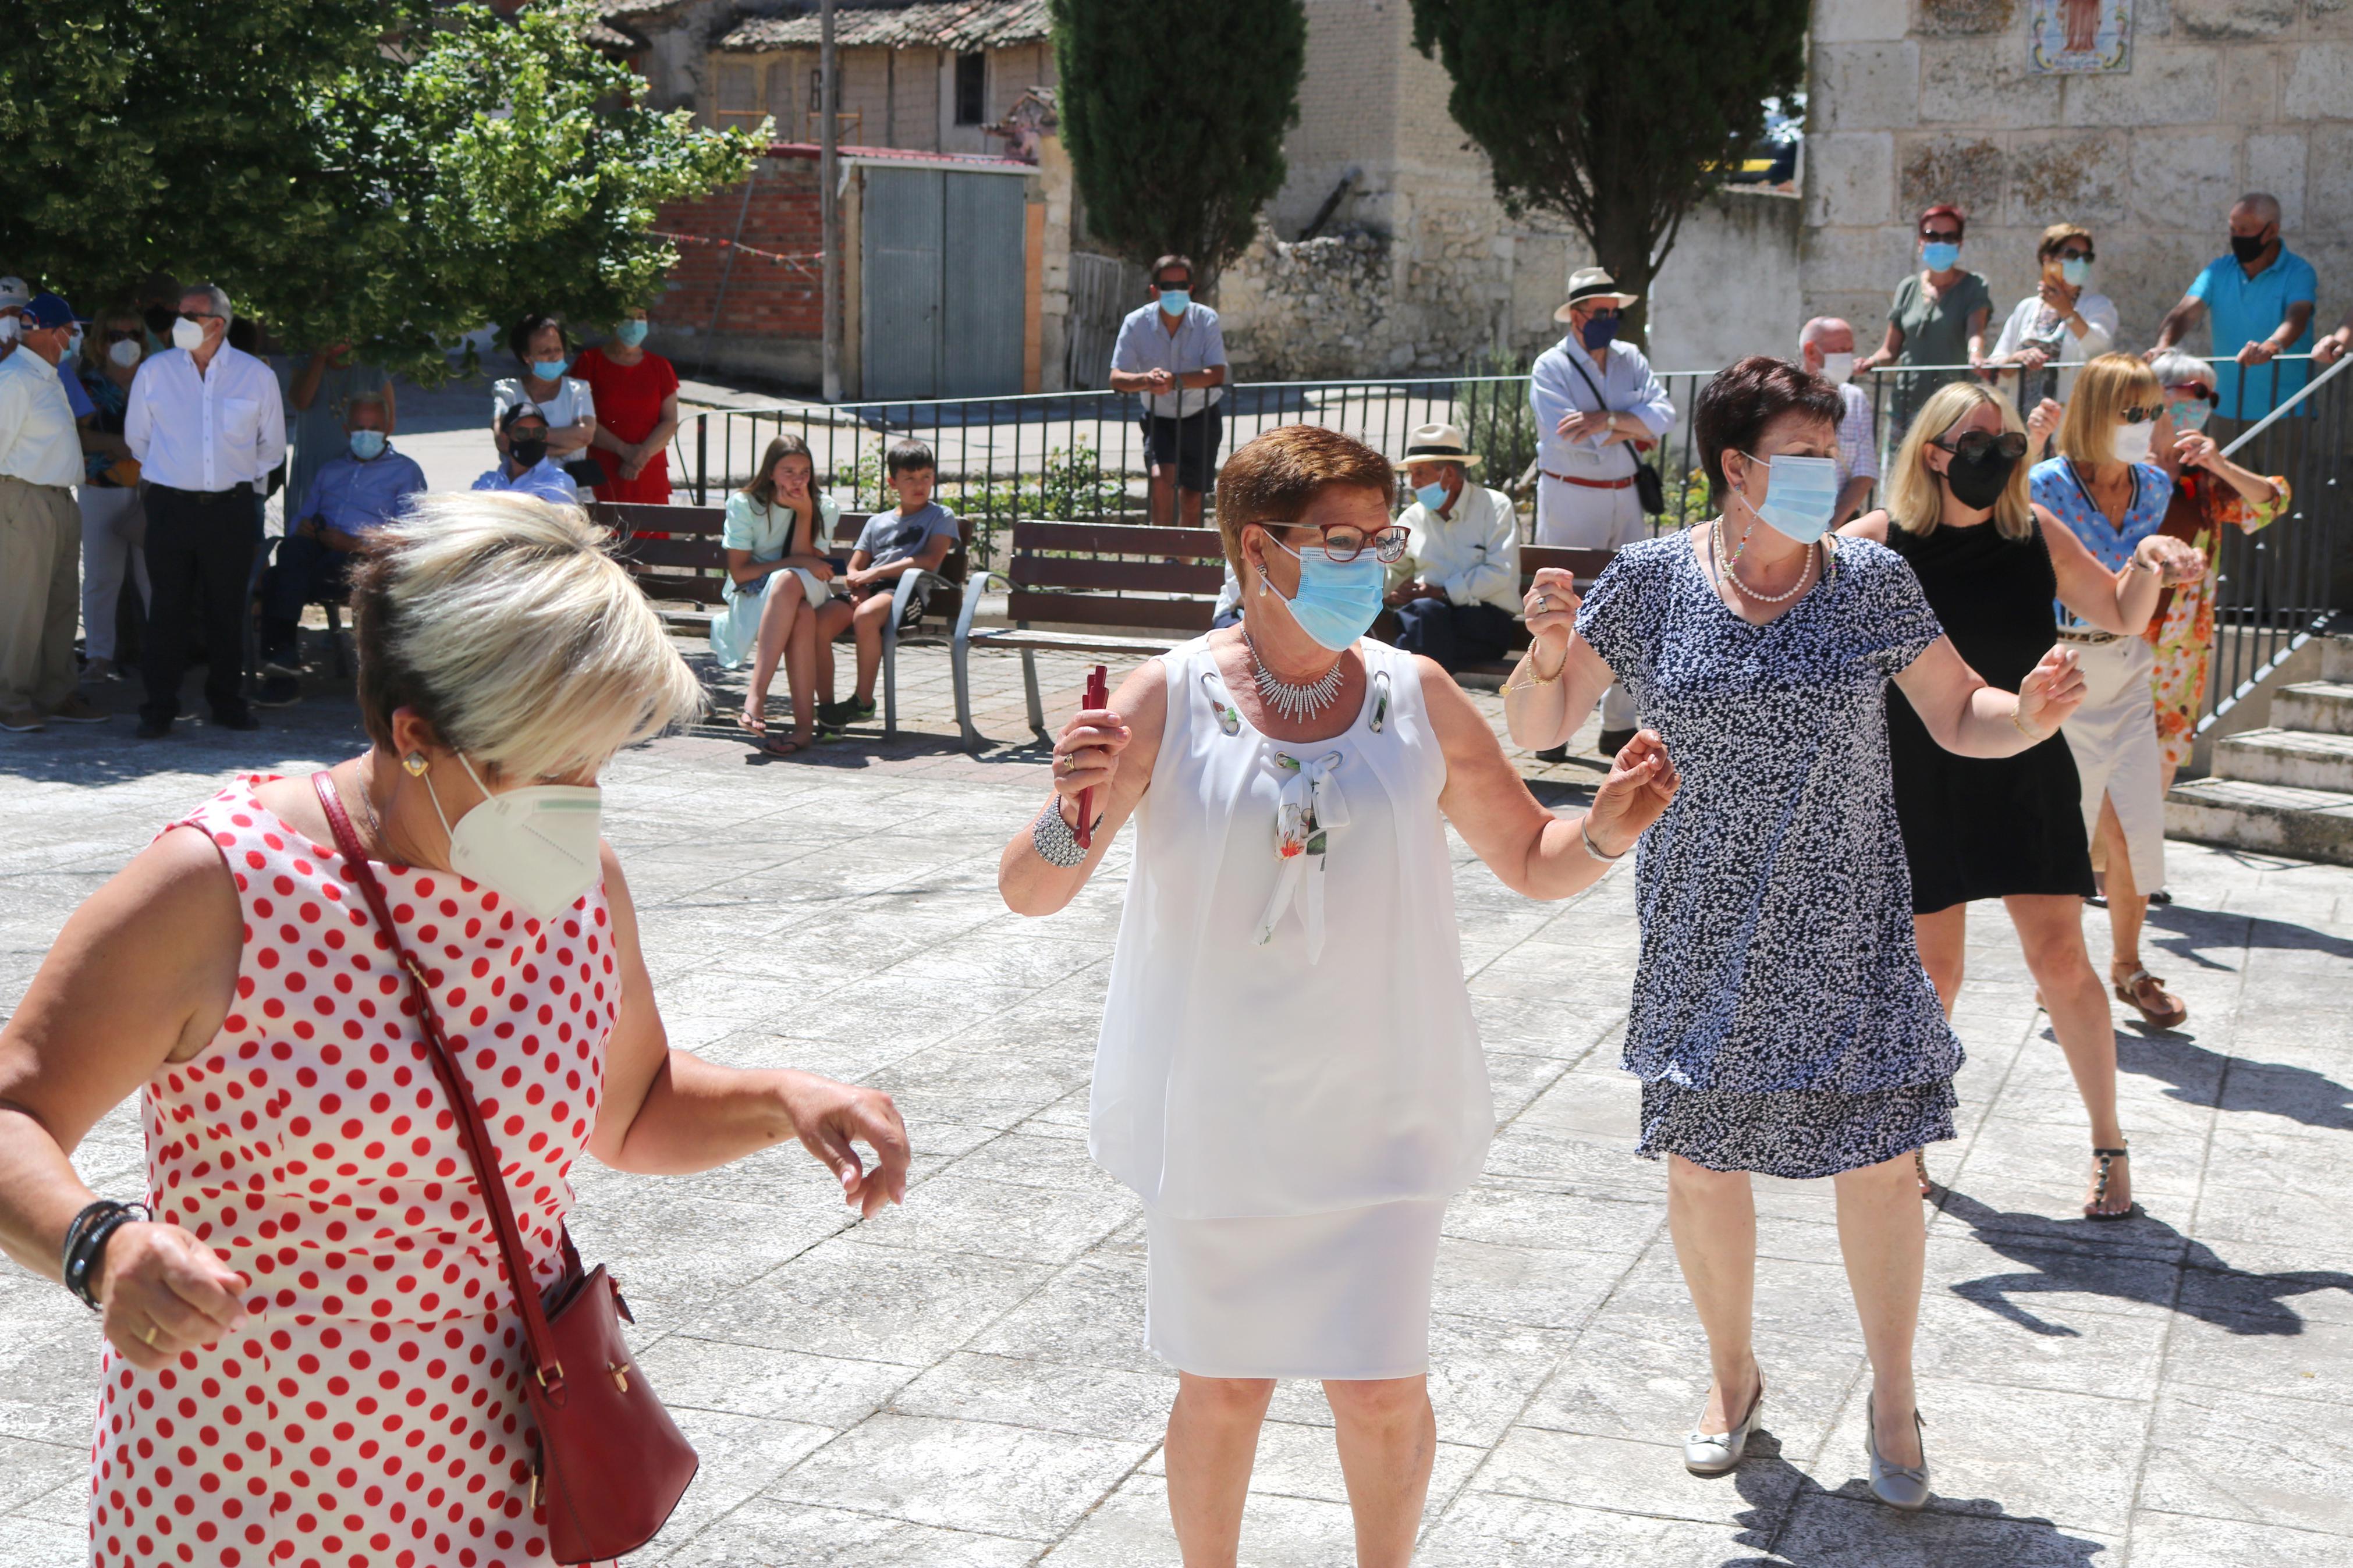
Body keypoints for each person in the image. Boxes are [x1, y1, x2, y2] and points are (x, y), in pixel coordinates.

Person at [0, 493, 908, 1568]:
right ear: (415, 737)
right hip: (249, 1486)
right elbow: (16, 1112)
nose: (584, 799)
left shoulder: (576, 881)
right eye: (553, 766)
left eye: (598, 764)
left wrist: (784, 1099)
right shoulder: (217, 889)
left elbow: (631, 1108)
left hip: (505, 1480)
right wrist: (98, 1243)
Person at [1001, 424, 1680, 1568]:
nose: (1369, 561)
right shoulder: (1166, 698)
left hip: (1379, 1114)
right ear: (1256, 549)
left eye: (1379, 537)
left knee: (1378, 1390)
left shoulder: (1416, 694)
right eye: (1340, 540)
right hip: (1220, 1116)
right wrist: (1067, 815)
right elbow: (1029, 892)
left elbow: (1531, 857)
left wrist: (1606, 831)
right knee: (1223, 1387)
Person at [1502, 355, 2088, 1509]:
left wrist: (2026, 714)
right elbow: (1538, 723)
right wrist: (1548, 654)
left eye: (1833, 452)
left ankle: (1891, 1397)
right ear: (1734, 466)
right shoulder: (1651, 580)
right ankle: (1731, 1380)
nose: (1829, 472)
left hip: (1849, 923)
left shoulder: (1868, 580)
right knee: (1701, 1167)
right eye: (1805, 455)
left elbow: (1956, 712)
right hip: (1698, 927)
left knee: (1877, 1164)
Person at [1841, 381, 2199, 1219]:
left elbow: (2120, 611)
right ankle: (1908, 1137)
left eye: (2007, 444)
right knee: (1933, 971)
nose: (1997, 458)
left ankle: (2108, 1143)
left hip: (2026, 762)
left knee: (2061, 961)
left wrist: (2148, 558)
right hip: (1916, 772)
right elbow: (1782, 609)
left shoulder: (2031, 530)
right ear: (1933, 452)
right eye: (1976, 444)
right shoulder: (1875, 543)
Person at [2030, 354, 2199, 1032]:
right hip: (2061, 664)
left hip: (2126, 666)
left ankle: (2128, 967)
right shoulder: (2043, 484)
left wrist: (2168, 567)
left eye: (2152, 411)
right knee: (2068, 831)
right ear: (2097, 410)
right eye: (2132, 411)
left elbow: (2139, 581)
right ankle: (2058, 968)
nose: (2146, 423)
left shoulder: (2153, 486)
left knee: (2135, 825)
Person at [125, 284, 287, 738]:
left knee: (226, 608)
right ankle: (159, 708)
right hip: (170, 508)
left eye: (190, 315)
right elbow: (139, 440)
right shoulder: (155, 372)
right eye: (179, 313)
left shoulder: (255, 376)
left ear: (217, 323)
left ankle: (227, 702)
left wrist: (230, 479)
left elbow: (271, 449)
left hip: (230, 510)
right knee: (167, 609)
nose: (179, 322)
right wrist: (179, 473)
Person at [1528, 266, 1676, 754]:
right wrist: (1632, 427)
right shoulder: (1550, 366)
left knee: (1632, 606)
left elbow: (1664, 416)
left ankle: (1617, 724)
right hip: (1571, 495)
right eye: (1601, 313)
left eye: (1615, 312)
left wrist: (1606, 421)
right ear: (1576, 315)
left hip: (1625, 494)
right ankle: (1551, 725)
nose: (1610, 320)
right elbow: (1565, 435)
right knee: (1562, 610)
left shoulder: (1630, 358)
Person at [2141, 351, 2291, 794]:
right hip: (2120, 626)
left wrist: (2218, 463)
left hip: (2181, 638)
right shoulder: (2120, 465)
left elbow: (2272, 502)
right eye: (2196, 391)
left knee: (2164, 748)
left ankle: (2145, 835)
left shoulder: (2205, 479)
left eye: (2210, 396)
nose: (2204, 404)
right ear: (2157, 395)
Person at [257, 392, 427, 692]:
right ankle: (283, 659)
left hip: (362, 559)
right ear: (347, 431)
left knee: (279, 581)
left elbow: (409, 537)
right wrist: (304, 526)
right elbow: (302, 518)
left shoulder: (405, 472)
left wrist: (353, 544)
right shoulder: (331, 470)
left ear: (388, 429)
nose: (366, 435)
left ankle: (281, 666)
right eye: (359, 428)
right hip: (317, 550)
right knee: (291, 551)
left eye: (374, 428)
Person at [0, 292, 108, 733]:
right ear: (49, 331)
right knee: (22, 605)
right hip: (25, 500)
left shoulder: (47, 375)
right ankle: (10, 700)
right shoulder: (13, 379)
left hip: (59, 500)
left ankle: (55, 693)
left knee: (61, 602)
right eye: (69, 329)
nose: (74, 336)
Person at [815, 439, 960, 728]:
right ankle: (828, 709)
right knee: (817, 623)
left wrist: (872, 575)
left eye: (926, 477)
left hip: (907, 591)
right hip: (870, 590)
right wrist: (858, 585)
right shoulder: (877, 523)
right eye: (910, 478)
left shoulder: (940, 516)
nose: (919, 485)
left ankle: (863, 702)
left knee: (866, 615)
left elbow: (929, 560)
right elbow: (855, 566)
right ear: (893, 483)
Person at [711, 433, 840, 758]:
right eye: (789, 472)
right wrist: (797, 562)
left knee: (788, 583)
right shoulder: (744, 505)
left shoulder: (824, 507)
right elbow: (740, 573)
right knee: (800, 614)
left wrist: (805, 514)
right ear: (770, 473)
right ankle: (803, 730)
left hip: (807, 586)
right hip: (755, 595)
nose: (798, 480)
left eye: (805, 472)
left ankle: (755, 697)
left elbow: (808, 568)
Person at [2148, 193, 2317, 428]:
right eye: (2233, 229)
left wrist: (2270, 348)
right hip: (2225, 410)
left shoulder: (2299, 272)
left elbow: (2297, 317)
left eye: (2245, 230)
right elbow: (2185, 312)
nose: (2237, 237)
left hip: (2286, 412)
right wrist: (2163, 346)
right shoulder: (2218, 270)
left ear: (2271, 231)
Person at [1382, 422, 1520, 673]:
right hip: (1429, 622)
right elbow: (1392, 571)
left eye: (1420, 472)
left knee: (1419, 629)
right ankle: (1429, 691)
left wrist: (1443, 592)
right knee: (1424, 620)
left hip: (1485, 622)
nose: (1413, 482)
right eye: (1411, 473)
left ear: (1449, 474)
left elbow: (1500, 572)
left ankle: (1410, 688)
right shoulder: (1411, 518)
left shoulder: (1495, 506)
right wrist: (1390, 594)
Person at [1108, 255, 1227, 527]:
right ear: (1155, 290)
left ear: (1191, 289)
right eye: (1168, 286)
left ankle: (1186, 554)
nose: (1175, 292)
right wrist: (1146, 380)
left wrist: (1176, 381)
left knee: (1193, 497)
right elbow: (1117, 377)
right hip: (1159, 419)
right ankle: (1163, 551)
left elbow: (1217, 374)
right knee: (1160, 483)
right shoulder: (1136, 322)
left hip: (1201, 417)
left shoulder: (1206, 319)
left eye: (1181, 285)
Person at [1855, 204, 1994, 433]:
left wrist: (1976, 355)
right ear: (1921, 242)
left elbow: (1975, 331)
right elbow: (1890, 351)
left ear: (1960, 243)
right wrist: (1870, 362)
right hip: (1907, 403)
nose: (1941, 242)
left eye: (1949, 237)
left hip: (1954, 405)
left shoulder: (1975, 285)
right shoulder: (1908, 287)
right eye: (1932, 236)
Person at [74, 305, 151, 684]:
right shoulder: (85, 384)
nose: (126, 343)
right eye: (116, 336)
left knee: (154, 576)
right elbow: (76, 437)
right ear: (101, 342)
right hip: (100, 489)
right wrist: (114, 443)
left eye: (133, 335)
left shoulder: (157, 380)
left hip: (153, 491)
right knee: (102, 578)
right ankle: (99, 657)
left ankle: (161, 655)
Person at [1986, 222, 2117, 409]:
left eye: (2087, 257)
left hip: (2069, 417)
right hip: (2022, 417)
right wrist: (2016, 360)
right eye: (2072, 255)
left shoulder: (2098, 305)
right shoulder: (2027, 308)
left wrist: (2067, 311)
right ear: (2047, 259)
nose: (2080, 262)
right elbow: (1995, 364)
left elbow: (2100, 350)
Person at [573, 305, 682, 504]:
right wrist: (625, 451)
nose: (634, 323)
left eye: (640, 317)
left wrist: (640, 456)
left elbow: (670, 421)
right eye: (628, 317)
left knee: (653, 523)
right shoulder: (590, 362)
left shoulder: (660, 366)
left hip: (648, 470)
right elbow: (581, 418)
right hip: (602, 467)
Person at [283, 342, 394, 522]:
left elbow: (388, 423)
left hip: (357, 465)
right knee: (308, 526)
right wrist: (319, 358)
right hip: (314, 462)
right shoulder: (307, 362)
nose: (338, 342)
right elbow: (301, 401)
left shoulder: (371, 367)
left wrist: (365, 455)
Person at [491, 312, 598, 474]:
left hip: (569, 485)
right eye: (545, 351)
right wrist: (565, 446)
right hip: (521, 485)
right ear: (527, 356)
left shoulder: (579, 389)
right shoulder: (508, 391)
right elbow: (503, 442)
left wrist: (525, 442)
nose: (553, 356)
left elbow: (584, 436)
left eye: (558, 349)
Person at [1798, 317, 1878, 525]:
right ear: (1811, 352)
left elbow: (1865, 473)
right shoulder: (1786, 401)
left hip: (1840, 523)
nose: (1848, 358)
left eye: (1850, 351)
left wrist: (1831, 526)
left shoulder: (1855, 399)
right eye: (1841, 351)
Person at [472, 401, 580, 504]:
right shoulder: (487, 481)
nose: (532, 439)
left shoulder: (560, 482)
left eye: (539, 433)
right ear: (506, 438)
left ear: (546, 437)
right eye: (522, 433)